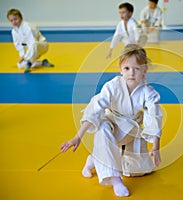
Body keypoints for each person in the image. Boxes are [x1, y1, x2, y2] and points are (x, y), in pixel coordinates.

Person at [61, 44, 162, 197]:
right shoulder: (112, 86)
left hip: (132, 128)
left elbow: (154, 116)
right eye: (127, 68)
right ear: (120, 69)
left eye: (137, 68)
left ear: (144, 70)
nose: (131, 73)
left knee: (139, 171)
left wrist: (155, 146)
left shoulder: (148, 92)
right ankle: (115, 180)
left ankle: (93, 160)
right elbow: (96, 109)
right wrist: (78, 136)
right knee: (102, 127)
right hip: (112, 122)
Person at [7, 9, 54, 73]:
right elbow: (19, 46)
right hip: (31, 49)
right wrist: (22, 56)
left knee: (34, 44)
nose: (14, 22)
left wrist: (25, 57)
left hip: (41, 46)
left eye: (15, 19)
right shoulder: (14, 31)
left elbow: (32, 43)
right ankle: (42, 63)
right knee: (20, 65)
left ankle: (29, 63)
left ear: (21, 18)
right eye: (11, 20)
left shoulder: (28, 27)